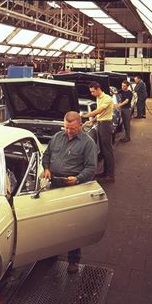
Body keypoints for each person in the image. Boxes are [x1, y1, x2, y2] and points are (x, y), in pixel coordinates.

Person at [42, 111, 98, 273]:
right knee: (51, 221)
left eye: (72, 129)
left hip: (72, 186)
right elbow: (46, 155)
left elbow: (91, 168)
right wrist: (46, 168)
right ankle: (50, 253)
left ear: (80, 125)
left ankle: (73, 259)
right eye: (66, 127)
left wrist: (78, 178)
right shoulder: (57, 137)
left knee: (72, 224)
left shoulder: (88, 143)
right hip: (53, 183)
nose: (68, 131)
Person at [80, 81, 115, 183]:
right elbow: (100, 114)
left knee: (107, 150)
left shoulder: (107, 99)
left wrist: (84, 116)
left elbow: (99, 111)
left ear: (98, 89)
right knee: (103, 150)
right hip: (100, 123)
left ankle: (110, 175)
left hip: (106, 125)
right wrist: (92, 120)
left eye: (92, 91)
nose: (91, 94)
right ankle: (105, 172)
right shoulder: (98, 98)